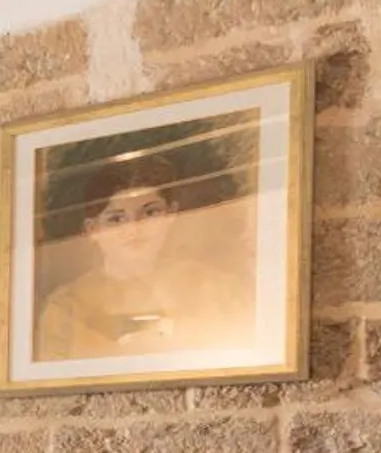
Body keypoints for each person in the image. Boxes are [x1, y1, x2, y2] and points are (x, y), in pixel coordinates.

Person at [33, 150, 254, 361]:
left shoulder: (215, 287)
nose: (134, 229)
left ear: (171, 215)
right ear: (93, 230)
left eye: (150, 213)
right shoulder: (66, 307)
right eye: (116, 219)